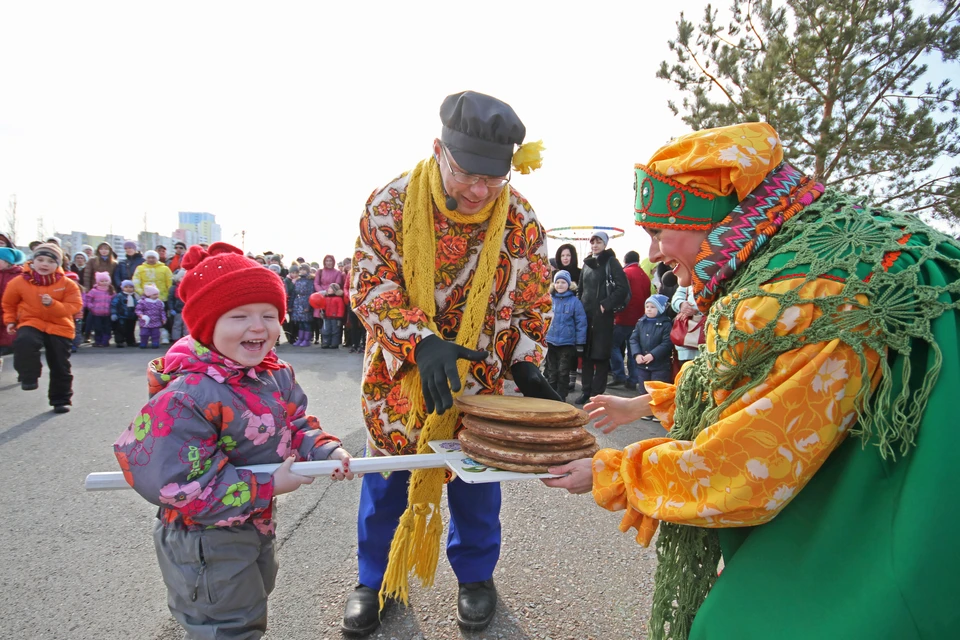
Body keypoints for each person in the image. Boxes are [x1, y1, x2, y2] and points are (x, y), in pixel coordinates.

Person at [544, 123, 960, 639]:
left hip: (888, 534)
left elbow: (740, 470)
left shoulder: (798, 295)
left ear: (708, 218)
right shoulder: (841, 243)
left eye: (657, 232)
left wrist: (611, 471)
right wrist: (645, 406)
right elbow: (767, 385)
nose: (652, 254)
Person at [345, 90, 556, 636]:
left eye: (494, 180)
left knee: (476, 484)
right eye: (467, 175)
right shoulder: (390, 203)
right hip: (404, 377)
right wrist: (420, 341)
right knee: (387, 481)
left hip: (483, 377)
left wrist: (528, 365)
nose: (479, 191)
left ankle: (476, 577)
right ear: (439, 150)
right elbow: (369, 285)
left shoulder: (521, 220)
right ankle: (375, 580)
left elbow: (534, 301)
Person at [112, 242, 354, 639]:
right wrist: (269, 485)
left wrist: (324, 448)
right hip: (203, 537)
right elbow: (180, 485)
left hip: (253, 522)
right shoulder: (186, 395)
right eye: (239, 316)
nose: (258, 327)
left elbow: (296, 422)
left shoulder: (275, 374)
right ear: (206, 325)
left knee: (251, 603)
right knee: (226, 625)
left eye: (269, 315)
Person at [1, 243, 82, 413]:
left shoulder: (68, 284)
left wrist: (53, 304)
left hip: (60, 325)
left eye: (50, 261)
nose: (44, 264)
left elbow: (74, 307)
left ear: (58, 264)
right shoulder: (19, 282)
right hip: (31, 321)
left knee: (60, 364)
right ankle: (29, 377)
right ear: (33, 261)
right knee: (24, 341)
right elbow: (8, 304)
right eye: (40, 260)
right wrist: (10, 321)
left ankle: (60, 400)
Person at [575, 231, 629, 405]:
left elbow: (622, 288)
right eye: (593, 242)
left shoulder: (611, 262)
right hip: (586, 315)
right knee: (587, 355)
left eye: (599, 242)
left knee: (601, 356)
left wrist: (606, 303)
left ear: (605, 244)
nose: (595, 245)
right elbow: (581, 289)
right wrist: (579, 307)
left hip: (603, 317)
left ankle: (597, 394)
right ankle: (586, 390)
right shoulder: (587, 264)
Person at [609, 250, 651, 390]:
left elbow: (621, 294)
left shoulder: (625, 273)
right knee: (633, 348)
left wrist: (615, 313)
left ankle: (619, 375)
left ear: (625, 261)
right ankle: (633, 379)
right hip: (639, 318)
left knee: (612, 345)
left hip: (623, 316)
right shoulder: (645, 276)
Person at [544, 270, 587, 401]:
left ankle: (561, 396)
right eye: (557, 282)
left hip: (567, 343)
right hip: (550, 341)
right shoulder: (549, 300)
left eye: (563, 282)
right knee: (551, 371)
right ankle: (550, 395)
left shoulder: (575, 302)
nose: (560, 285)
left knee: (563, 371)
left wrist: (580, 342)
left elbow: (581, 322)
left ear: (569, 284)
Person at [628, 294, 672, 405]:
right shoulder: (641, 322)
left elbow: (667, 343)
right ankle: (645, 410)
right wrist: (637, 354)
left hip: (660, 365)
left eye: (653, 307)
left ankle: (658, 410)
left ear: (661, 309)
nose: (649, 309)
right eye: (647, 306)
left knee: (657, 389)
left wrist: (653, 354)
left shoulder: (666, 324)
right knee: (644, 388)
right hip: (642, 364)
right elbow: (633, 339)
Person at [0, 246, 26, 377]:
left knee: (17, 346)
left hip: (14, 315)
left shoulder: (20, 275)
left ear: (7, 261)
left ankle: (22, 370)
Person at [314, 255, 344, 345]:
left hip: (332, 295)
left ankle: (333, 341)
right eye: (327, 261)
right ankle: (323, 340)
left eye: (330, 261)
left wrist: (329, 291)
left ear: (333, 262)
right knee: (321, 319)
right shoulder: (320, 271)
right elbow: (316, 283)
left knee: (333, 323)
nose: (329, 262)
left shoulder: (337, 272)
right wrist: (322, 292)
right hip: (320, 296)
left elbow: (337, 283)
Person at [84, 272, 115, 347]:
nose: (104, 283)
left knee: (107, 328)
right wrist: (91, 307)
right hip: (96, 313)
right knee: (98, 328)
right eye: (102, 281)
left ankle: (105, 341)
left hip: (107, 313)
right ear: (98, 281)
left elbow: (114, 301)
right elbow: (88, 299)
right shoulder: (94, 291)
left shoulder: (111, 291)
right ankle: (98, 341)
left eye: (106, 281)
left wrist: (113, 309)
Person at [671, 284, 699, 367]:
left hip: (708, 343)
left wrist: (697, 308)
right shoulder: (688, 279)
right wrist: (681, 304)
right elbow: (677, 296)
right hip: (685, 347)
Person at [290, 264, 314, 347]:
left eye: (304, 270)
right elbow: (294, 293)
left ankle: (306, 339)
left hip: (305, 302)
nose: (302, 271)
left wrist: (308, 306)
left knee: (306, 323)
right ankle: (300, 338)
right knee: (300, 323)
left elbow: (310, 293)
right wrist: (291, 305)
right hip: (298, 302)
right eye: (301, 270)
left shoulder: (310, 280)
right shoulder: (298, 280)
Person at [136, 284, 166, 349]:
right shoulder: (143, 302)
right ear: (149, 295)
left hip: (156, 321)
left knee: (156, 334)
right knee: (144, 333)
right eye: (154, 294)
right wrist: (141, 315)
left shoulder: (159, 302)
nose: (157, 296)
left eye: (157, 294)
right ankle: (143, 342)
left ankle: (155, 343)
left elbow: (162, 311)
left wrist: (163, 318)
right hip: (145, 322)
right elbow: (138, 310)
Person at [111, 280, 140, 348]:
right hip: (122, 316)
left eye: (130, 287)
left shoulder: (135, 296)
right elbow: (114, 304)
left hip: (132, 316)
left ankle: (131, 341)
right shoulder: (119, 296)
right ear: (122, 288)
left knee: (131, 329)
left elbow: (139, 305)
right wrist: (114, 313)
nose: (128, 288)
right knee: (120, 329)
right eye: (126, 287)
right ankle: (119, 341)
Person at [320, 283, 345, 349]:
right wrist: (322, 311)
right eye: (329, 288)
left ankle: (334, 343)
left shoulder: (338, 299)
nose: (329, 289)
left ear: (334, 290)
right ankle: (325, 343)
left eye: (330, 288)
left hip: (335, 318)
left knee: (335, 331)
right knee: (326, 330)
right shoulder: (326, 297)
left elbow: (341, 308)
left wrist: (339, 317)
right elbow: (323, 305)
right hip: (326, 317)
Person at [167, 269, 187, 341]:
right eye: (182, 277)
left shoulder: (188, 288)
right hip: (177, 310)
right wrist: (171, 308)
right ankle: (176, 338)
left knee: (186, 326)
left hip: (187, 310)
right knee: (177, 325)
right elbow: (171, 299)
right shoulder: (173, 288)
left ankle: (187, 338)